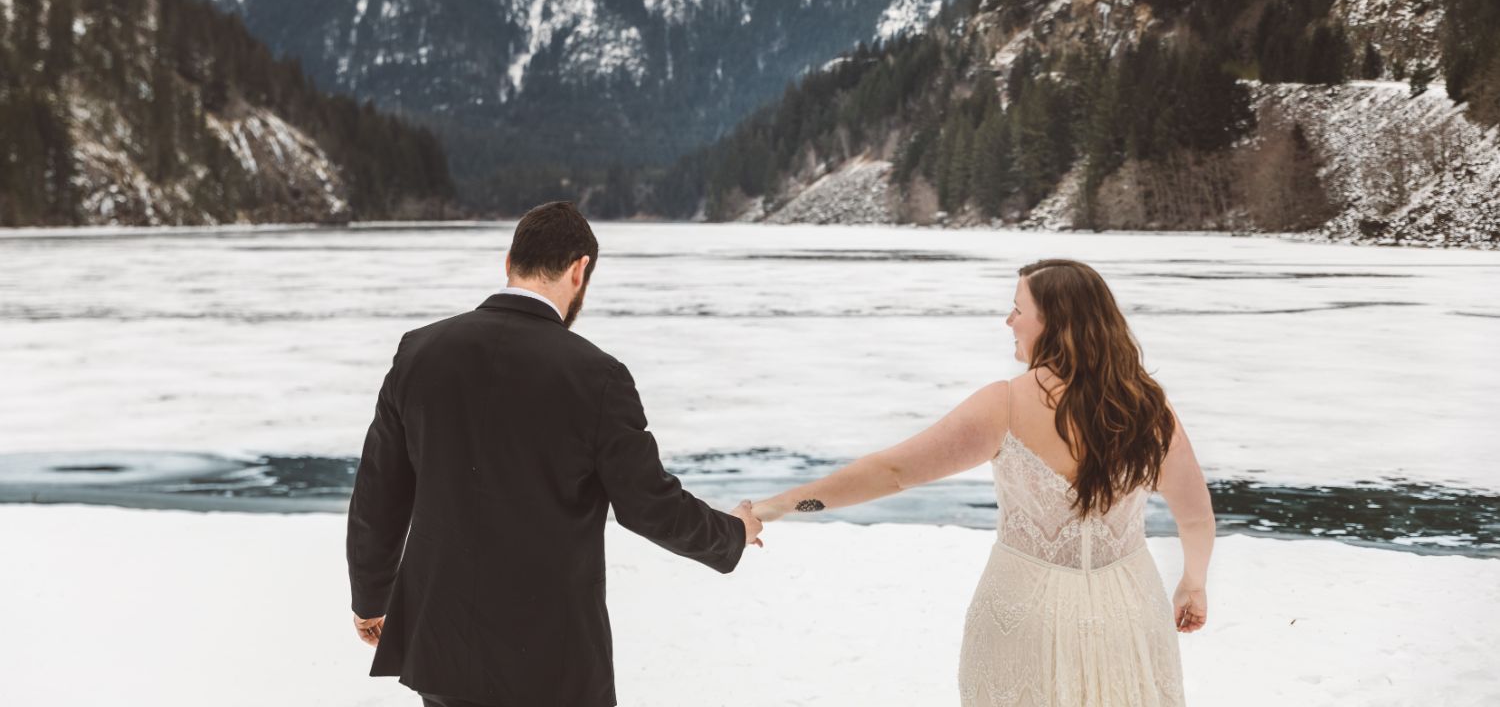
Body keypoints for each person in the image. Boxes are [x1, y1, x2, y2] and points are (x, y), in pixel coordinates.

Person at [346, 201, 763, 707]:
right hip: (553, 657)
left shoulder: (419, 352)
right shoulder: (597, 376)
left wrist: (371, 597)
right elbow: (651, 506)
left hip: (443, 643)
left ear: (509, 262)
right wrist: (733, 532)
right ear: (579, 269)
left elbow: (378, 494)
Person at [752, 258, 1213, 706]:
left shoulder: (1005, 405)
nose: (1007, 319)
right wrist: (1193, 584)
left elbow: (890, 474)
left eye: (1017, 308)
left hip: (1022, 616)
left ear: (1052, 322)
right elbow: (1193, 516)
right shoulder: (1149, 409)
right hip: (1129, 615)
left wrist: (783, 505)